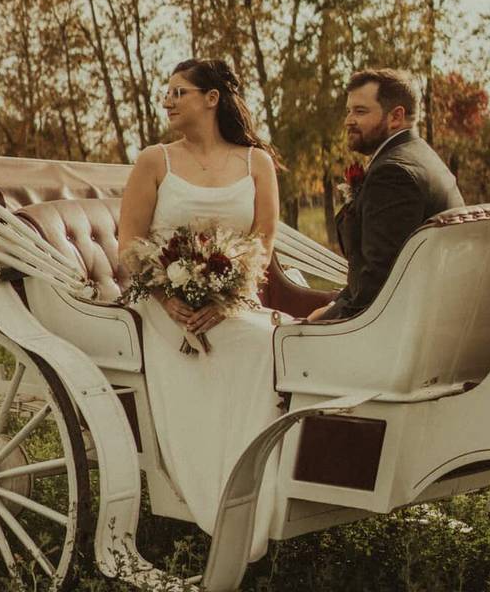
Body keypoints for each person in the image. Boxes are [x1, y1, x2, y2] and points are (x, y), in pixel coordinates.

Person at [118, 58, 281, 561]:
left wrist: (227, 296)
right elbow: (129, 243)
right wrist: (171, 299)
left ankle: (270, 492)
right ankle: (227, 500)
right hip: (164, 307)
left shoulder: (256, 163)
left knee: (274, 339)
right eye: (165, 92)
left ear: (212, 99)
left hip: (232, 302)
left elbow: (264, 241)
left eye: (179, 91)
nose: (167, 100)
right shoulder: (154, 162)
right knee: (256, 347)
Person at [309, 69, 465, 321]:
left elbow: (380, 282)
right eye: (348, 111)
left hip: (397, 326)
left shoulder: (393, 174)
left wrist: (326, 319)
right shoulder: (419, 154)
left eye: (360, 111)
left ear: (396, 117)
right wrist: (336, 303)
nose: (348, 120)